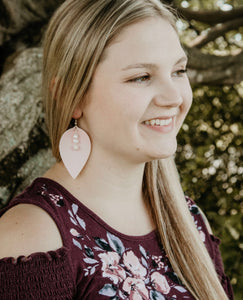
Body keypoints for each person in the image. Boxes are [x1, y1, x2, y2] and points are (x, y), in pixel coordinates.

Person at [0, 0, 234, 299]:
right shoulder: (33, 238)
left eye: (179, 70)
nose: (174, 96)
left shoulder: (190, 220)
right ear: (71, 97)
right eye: (141, 77)